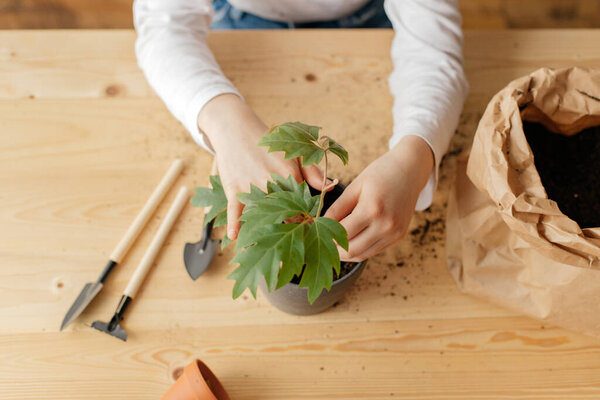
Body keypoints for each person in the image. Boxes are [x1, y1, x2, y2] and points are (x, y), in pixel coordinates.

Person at [133, 0, 468, 262]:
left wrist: (414, 154)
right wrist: (221, 118)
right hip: (239, 20)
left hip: (370, 19)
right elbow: (163, 26)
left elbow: (432, 47)